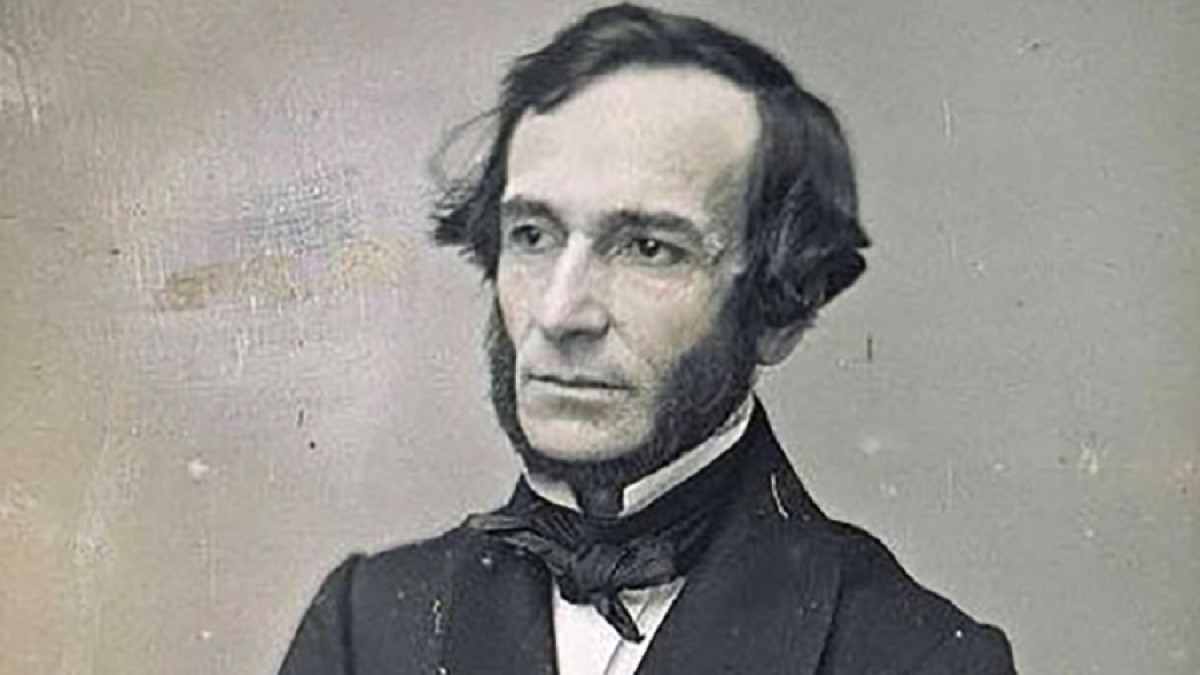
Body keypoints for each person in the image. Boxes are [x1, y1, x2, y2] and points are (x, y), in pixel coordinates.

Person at [278, 5, 1015, 674]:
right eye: (531, 235)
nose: (560, 314)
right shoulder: (365, 625)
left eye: (648, 248)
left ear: (779, 313)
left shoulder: (916, 658)